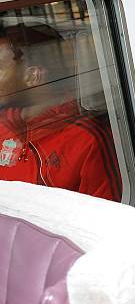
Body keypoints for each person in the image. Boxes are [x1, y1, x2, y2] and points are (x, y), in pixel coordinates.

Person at [0, 23, 121, 201]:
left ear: (33, 76)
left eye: (0, 68)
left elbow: (106, 217)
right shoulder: (5, 125)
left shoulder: (87, 138)